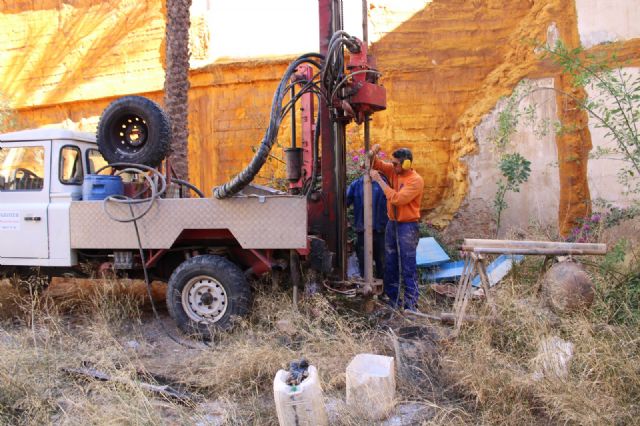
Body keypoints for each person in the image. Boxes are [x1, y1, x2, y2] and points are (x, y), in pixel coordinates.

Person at [368, 145, 424, 311]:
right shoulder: (394, 171)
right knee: (390, 262)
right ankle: (393, 300)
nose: (392, 166)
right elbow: (375, 164)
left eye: (396, 164)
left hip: (408, 226)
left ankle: (411, 304)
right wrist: (372, 152)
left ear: (406, 164)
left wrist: (379, 180)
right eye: (392, 163)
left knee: (408, 265)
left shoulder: (415, 180)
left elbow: (398, 199)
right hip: (392, 224)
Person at [346, 174, 388, 279]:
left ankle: (382, 290)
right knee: (363, 260)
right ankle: (366, 287)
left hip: (380, 230)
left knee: (381, 261)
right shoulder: (356, 184)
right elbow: (344, 202)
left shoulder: (383, 184)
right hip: (362, 231)